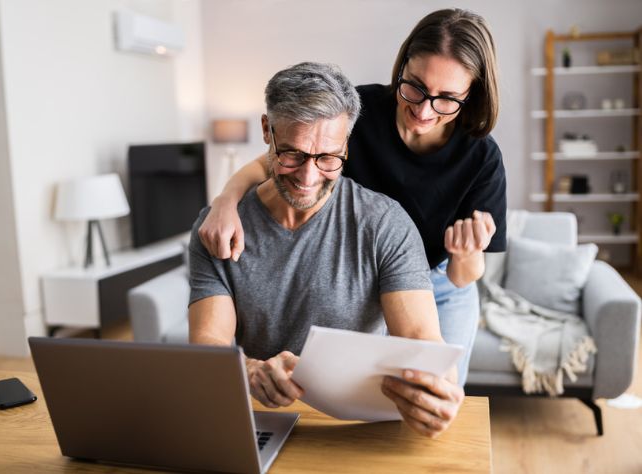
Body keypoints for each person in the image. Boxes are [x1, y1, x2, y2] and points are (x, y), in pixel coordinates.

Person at [197, 9, 507, 386]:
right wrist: (225, 201)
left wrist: (466, 252)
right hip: (368, 273)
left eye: (446, 99)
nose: (424, 110)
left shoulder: (481, 157)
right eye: (415, 87)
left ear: (471, 93)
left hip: (440, 280)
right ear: (402, 66)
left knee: (437, 390)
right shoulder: (360, 110)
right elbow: (282, 159)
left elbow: (464, 276)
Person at [189, 62, 464, 439]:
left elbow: (422, 338)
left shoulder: (385, 223)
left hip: (352, 432)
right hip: (258, 424)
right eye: (292, 155)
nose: (308, 177)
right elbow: (208, 345)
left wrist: (440, 388)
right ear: (267, 130)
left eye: (327, 158)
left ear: (346, 145)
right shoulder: (218, 228)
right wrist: (249, 369)